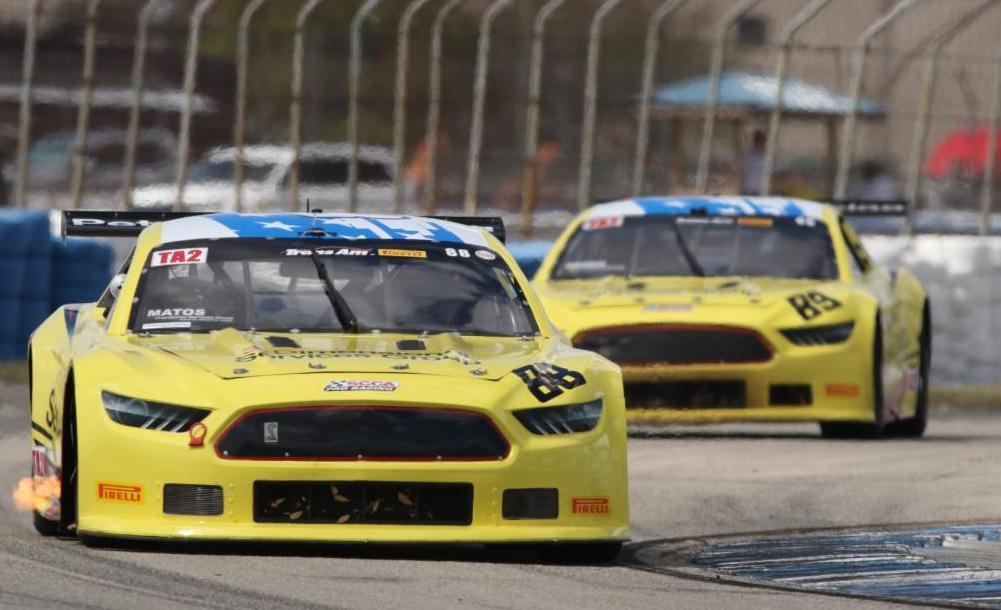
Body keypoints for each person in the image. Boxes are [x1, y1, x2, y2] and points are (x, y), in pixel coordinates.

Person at [742, 130, 767, 195]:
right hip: (749, 189)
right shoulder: (748, 156)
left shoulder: (765, 157)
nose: (762, 145)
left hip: (761, 190)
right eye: (760, 142)